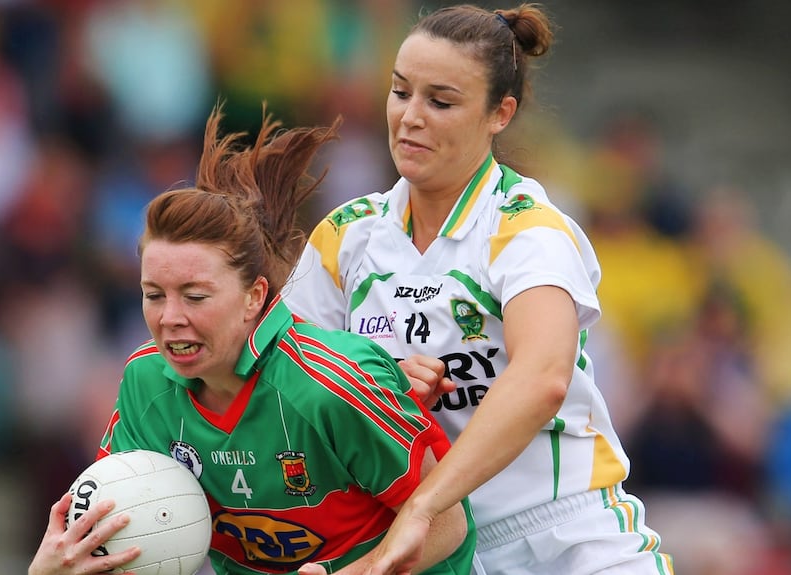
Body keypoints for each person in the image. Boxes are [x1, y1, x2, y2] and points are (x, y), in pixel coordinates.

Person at [283, 4, 673, 574]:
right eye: (400, 92)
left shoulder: (528, 228)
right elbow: (287, 392)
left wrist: (425, 503)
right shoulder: (344, 236)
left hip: (567, 537)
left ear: (500, 113)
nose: (410, 117)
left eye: (440, 101)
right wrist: (372, 385)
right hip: (432, 549)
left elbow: (541, 379)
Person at [27, 104, 476, 575]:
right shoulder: (145, 383)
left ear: (254, 297)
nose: (170, 318)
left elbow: (449, 523)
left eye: (195, 296)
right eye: (153, 295)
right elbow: (114, 540)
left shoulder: (330, 385)